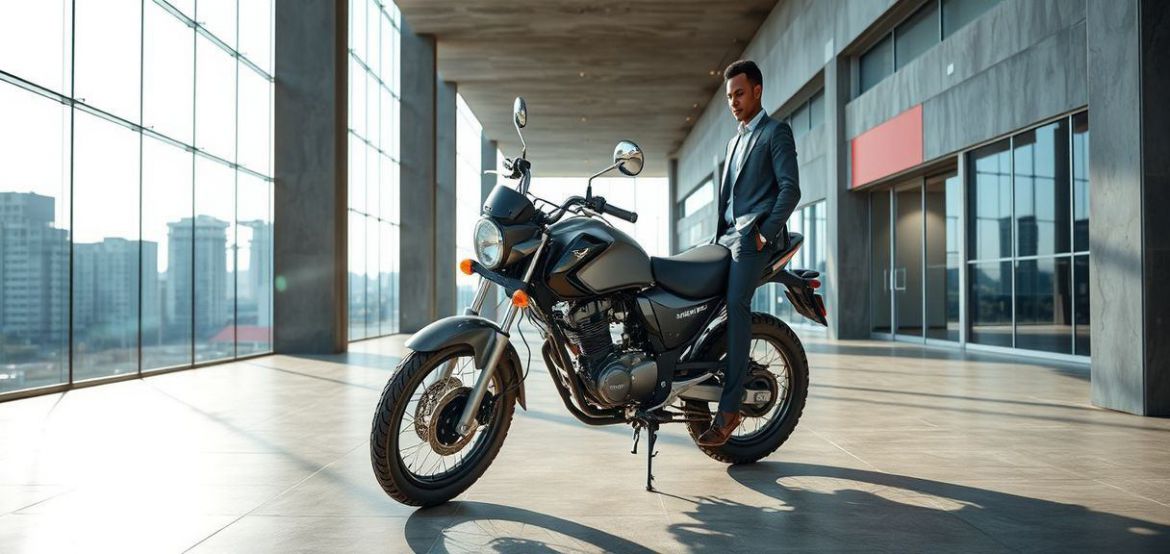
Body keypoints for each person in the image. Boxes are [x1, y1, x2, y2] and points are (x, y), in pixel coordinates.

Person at [697, 59, 800, 448]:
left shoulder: (776, 133)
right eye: (728, 97)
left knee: (736, 303)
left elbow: (790, 190)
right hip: (725, 238)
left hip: (754, 239)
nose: (733, 102)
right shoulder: (734, 141)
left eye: (739, 94)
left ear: (757, 90)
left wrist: (763, 235)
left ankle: (729, 411)